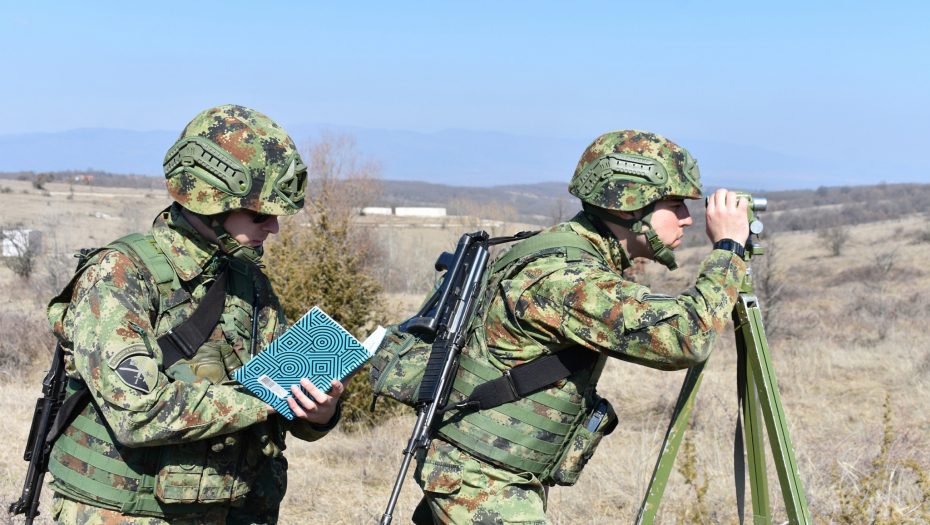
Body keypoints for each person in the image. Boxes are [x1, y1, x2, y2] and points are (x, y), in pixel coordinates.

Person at [411, 130, 750, 524]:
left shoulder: (563, 250)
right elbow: (686, 339)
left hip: (485, 475)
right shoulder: (565, 277)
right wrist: (729, 249)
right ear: (628, 207)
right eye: (675, 205)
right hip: (482, 484)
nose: (688, 219)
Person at [44, 105, 345, 524]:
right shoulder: (120, 275)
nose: (273, 227)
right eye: (260, 214)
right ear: (210, 201)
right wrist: (266, 397)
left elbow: (285, 402)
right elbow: (138, 413)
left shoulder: (249, 280)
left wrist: (319, 413)